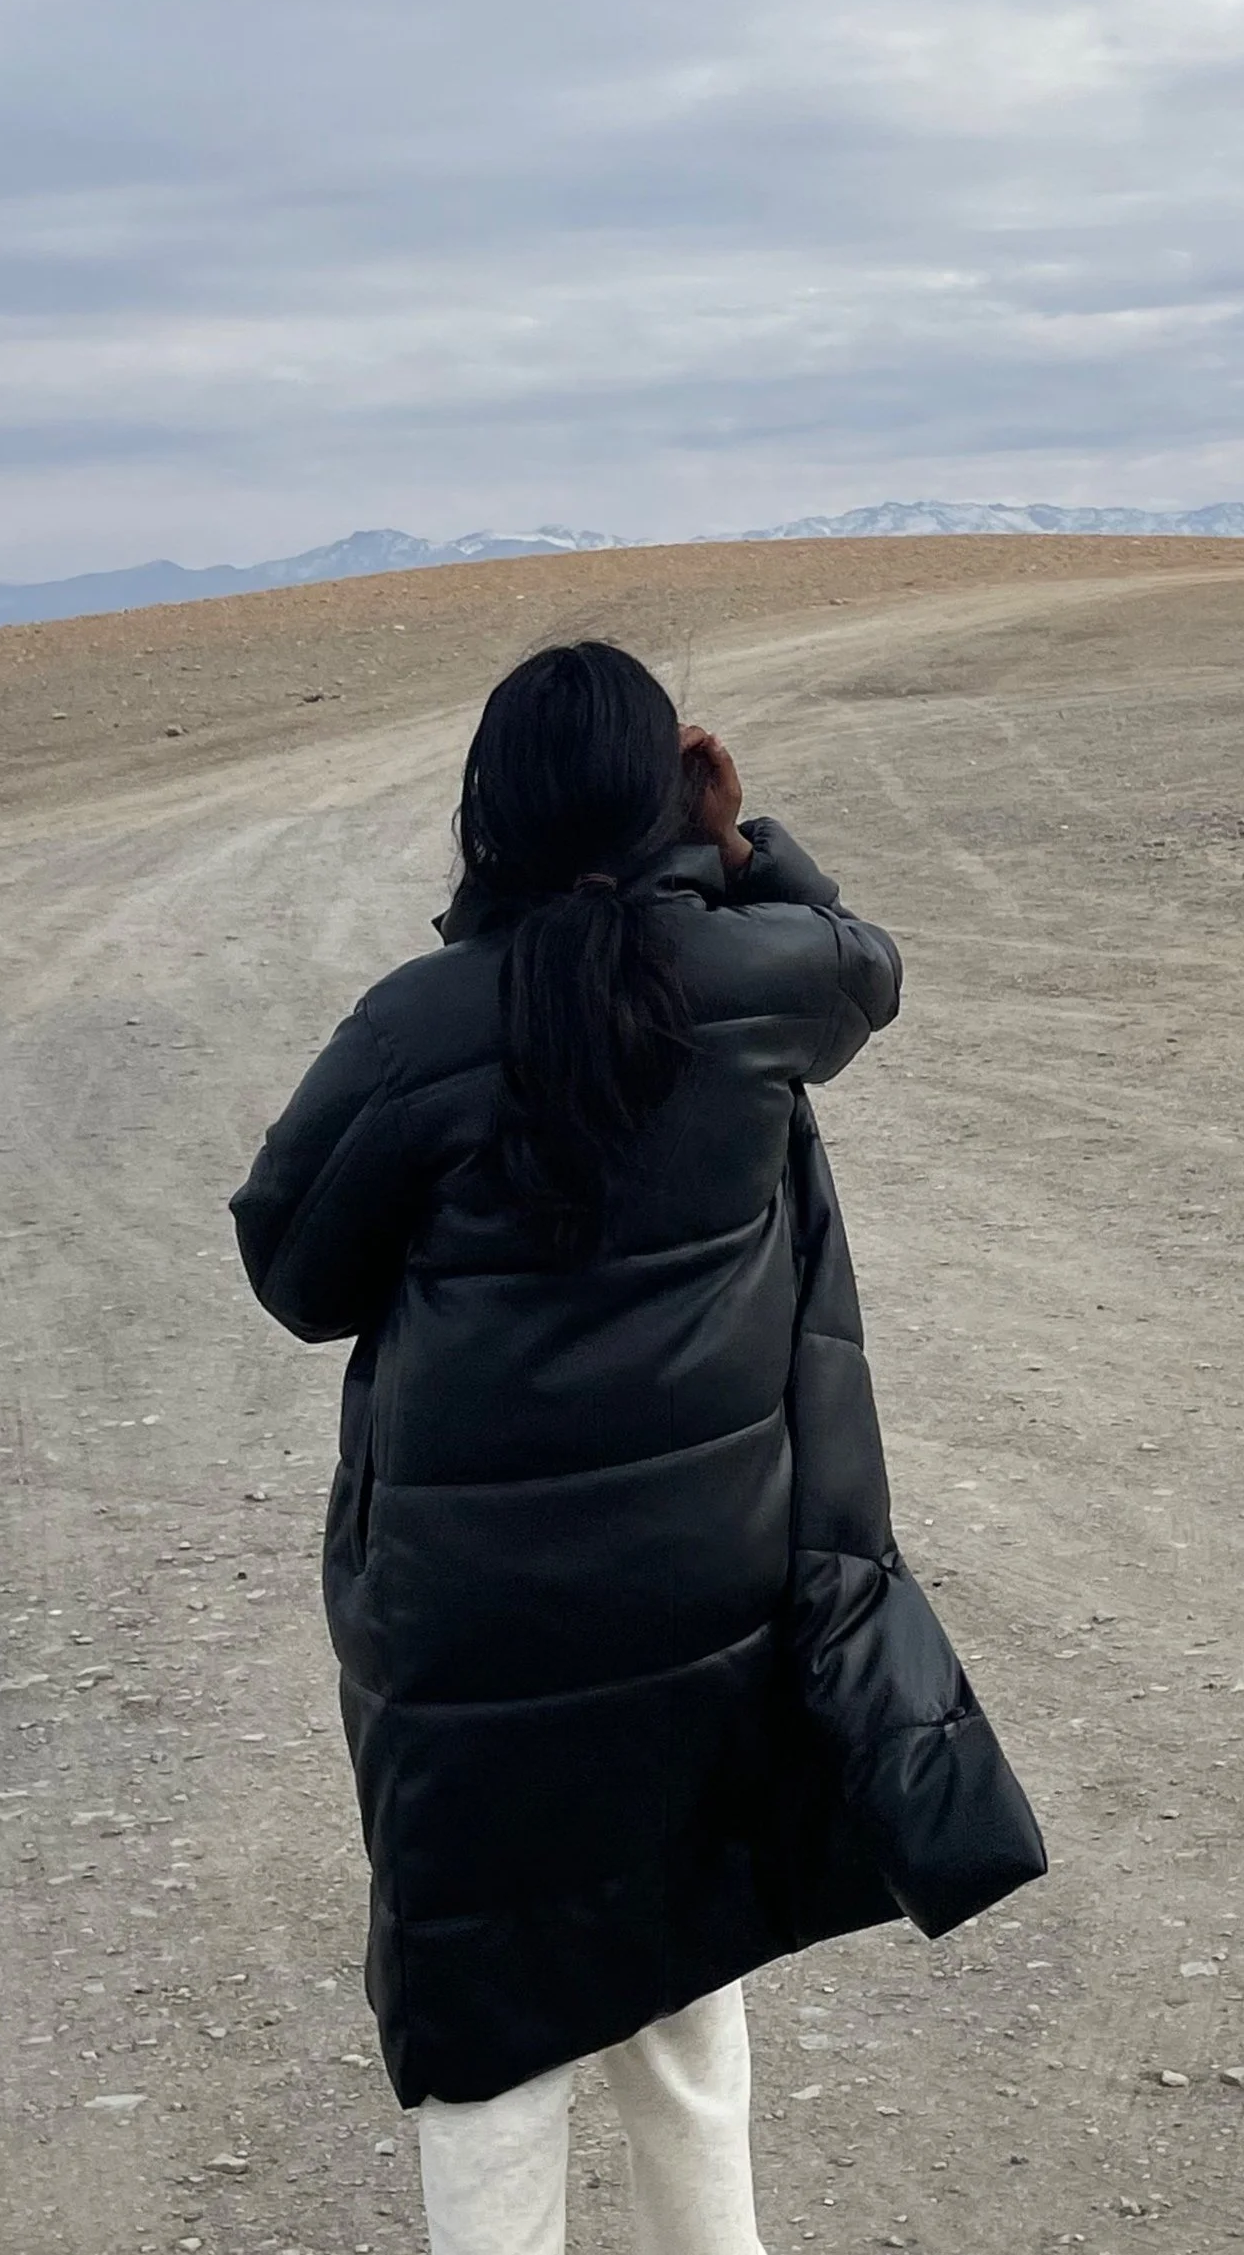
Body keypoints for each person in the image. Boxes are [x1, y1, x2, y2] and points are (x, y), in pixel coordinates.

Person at [230, 641, 1044, 2255]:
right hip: (700, 1597)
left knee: (487, 2040)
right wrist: (739, 842)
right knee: (675, 1985)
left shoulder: (416, 1026)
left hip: (470, 1636)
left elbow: (296, 1273)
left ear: (491, 807)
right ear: (660, 790)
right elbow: (867, 962)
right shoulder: (756, 983)